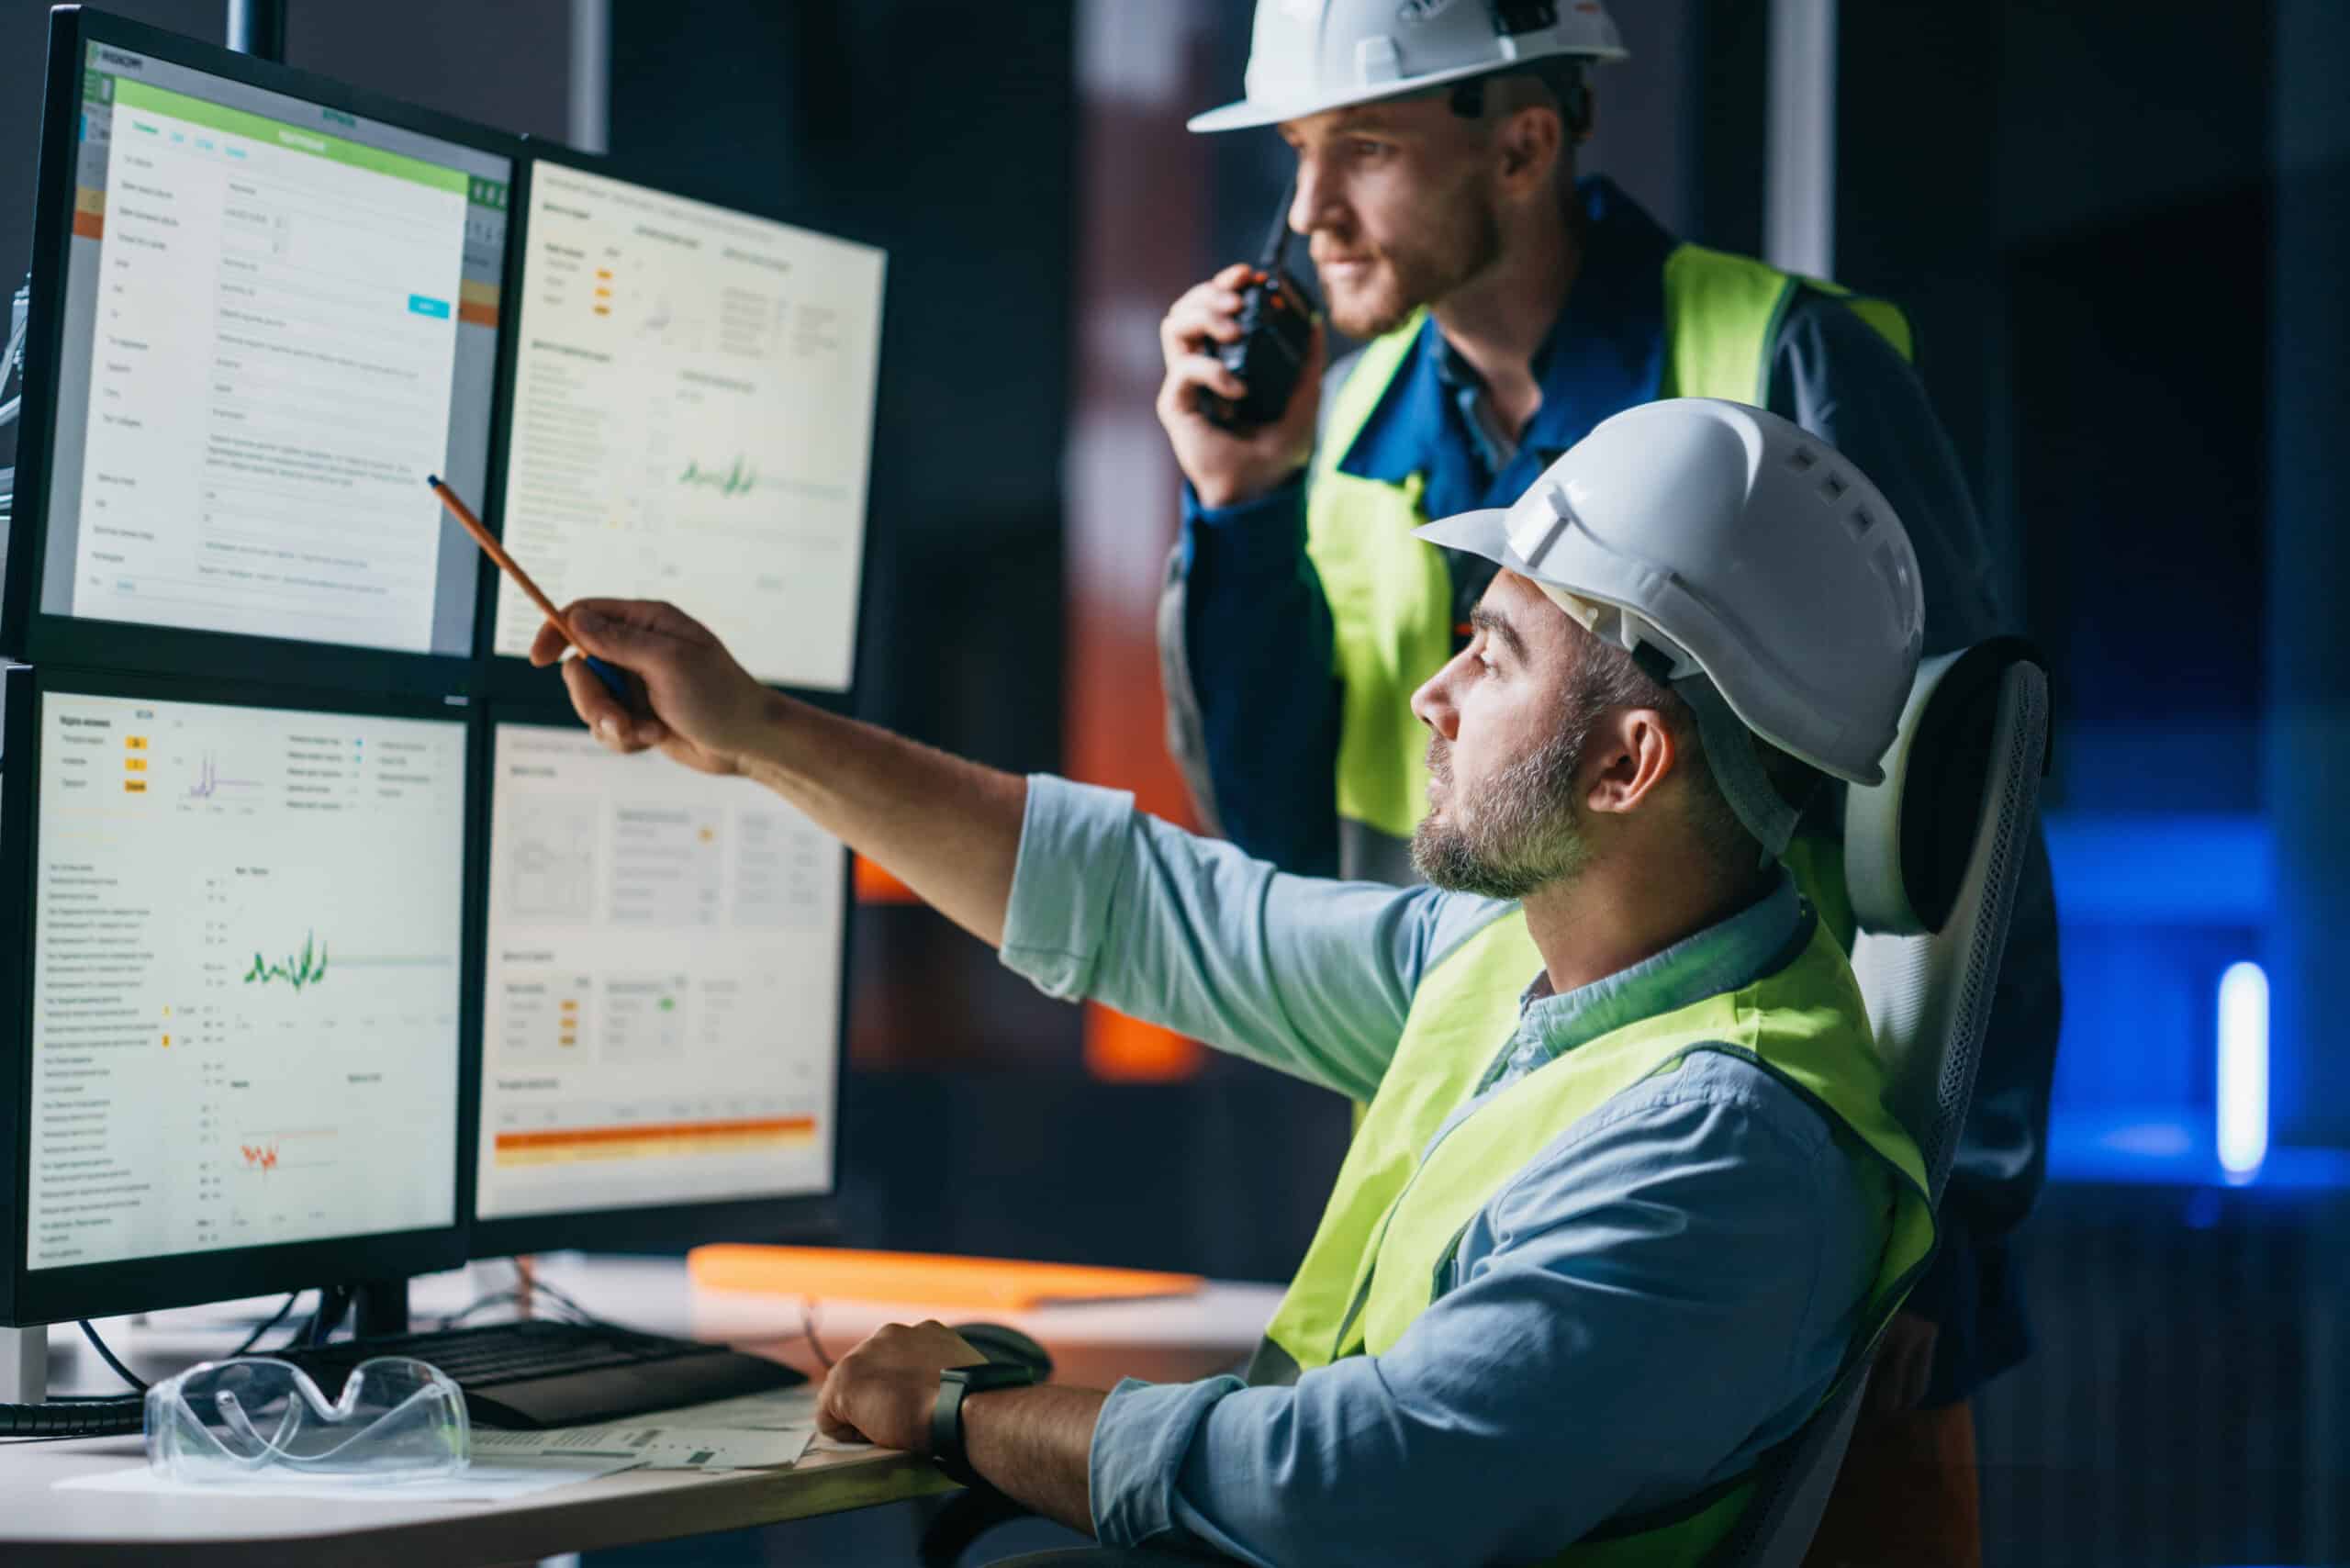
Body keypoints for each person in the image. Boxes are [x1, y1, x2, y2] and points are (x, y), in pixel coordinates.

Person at [539, 401, 1942, 1566]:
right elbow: (1150, 909)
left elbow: (1348, 1488)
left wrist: (967, 1410)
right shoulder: (1523, 968)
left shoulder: (1718, 1145)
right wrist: (758, 736)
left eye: (1494, 654)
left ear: (1626, 765)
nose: (1433, 694)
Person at [1155, 5, 2060, 1549]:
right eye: (1297, 158)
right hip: (1503, 1158)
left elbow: (1963, 817)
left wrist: (1950, 1231)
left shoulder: (1782, 362)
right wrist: (1240, 505)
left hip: (1774, 1205)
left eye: (1359, 148)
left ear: (1525, 142)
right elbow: (1285, 824)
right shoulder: (1353, 421)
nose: (1306, 216)